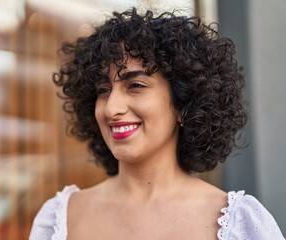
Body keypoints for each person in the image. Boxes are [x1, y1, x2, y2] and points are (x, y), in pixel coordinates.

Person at [29, 8, 285, 240]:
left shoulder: (241, 224)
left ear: (183, 104)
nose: (111, 108)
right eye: (103, 90)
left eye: (136, 85)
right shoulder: (57, 220)